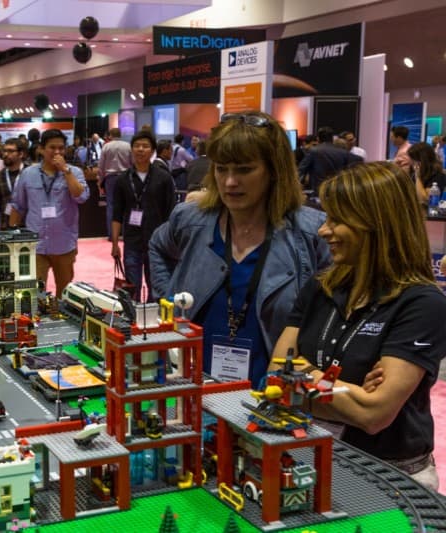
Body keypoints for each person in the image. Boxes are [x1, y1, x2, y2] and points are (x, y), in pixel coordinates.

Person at [271, 162, 446, 491]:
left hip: (391, 478)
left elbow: (373, 415)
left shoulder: (423, 304)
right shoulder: (319, 288)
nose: (324, 231)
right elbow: (276, 375)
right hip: (314, 458)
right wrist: (349, 391)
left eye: (337, 220)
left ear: (376, 224)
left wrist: (302, 376)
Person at [149, 111, 331, 386]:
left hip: (270, 391)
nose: (230, 182)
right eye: (222, 169)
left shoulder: (312, 233)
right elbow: (157, 246)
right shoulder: (190, 220)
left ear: (274, 171)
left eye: (244, 170)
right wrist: (168, 300)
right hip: (194, 385)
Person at [9, 129, 89, 298]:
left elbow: (81, 197)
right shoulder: (28, 174)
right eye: (52, 147)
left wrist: (65, 171)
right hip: (36, 245)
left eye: (61, 148)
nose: (57, 152)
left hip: (64, 244)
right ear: (41, 149)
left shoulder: (74, 172)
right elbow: (18, 205)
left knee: (65, 293)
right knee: (35, 294)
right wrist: (12, 237)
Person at [110, 131, 175, 302]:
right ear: (131, 149)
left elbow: (170, 212)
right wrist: (115, 243)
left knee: (157, 287)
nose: (140, 149)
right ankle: (133, 317)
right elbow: (117, 213)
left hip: (157, 242)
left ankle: (155, 317)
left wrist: (170, 242)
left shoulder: (163, 177)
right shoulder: (122, 179)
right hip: (132, 241)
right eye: (137, 146)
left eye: (145, 146)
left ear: (152, 150)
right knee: (132, 288)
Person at [298, 126, 362, 198]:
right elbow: (359, 159)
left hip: (319, 192)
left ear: (318, 139)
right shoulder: (341, 151)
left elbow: (301, 170)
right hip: (337, 191)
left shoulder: (314, 151)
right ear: (332, 138)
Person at [98, 128, 132, 240]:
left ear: (110, 135)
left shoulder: (106, 146)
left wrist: (100, 180)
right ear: (120, 134)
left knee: (111, 205)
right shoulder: (128, 146)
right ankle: (126, 233)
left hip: (110, 178)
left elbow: (101, 166)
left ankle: (112, 235)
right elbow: (133, 163)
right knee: (127, 205)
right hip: (125, 176)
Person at [0, 138, 27, 230]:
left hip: (26, 226)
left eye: (10, 151)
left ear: (21, 154)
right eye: (4, 151)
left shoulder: (30, 174)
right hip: (5, 226)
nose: (5, 154)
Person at [408, 142, 446, 208]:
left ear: (422, 160)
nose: (410, 162)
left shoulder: (438, 176)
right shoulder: (414, 171)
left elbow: (424, 200)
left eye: (413, 160)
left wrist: (418, 177)